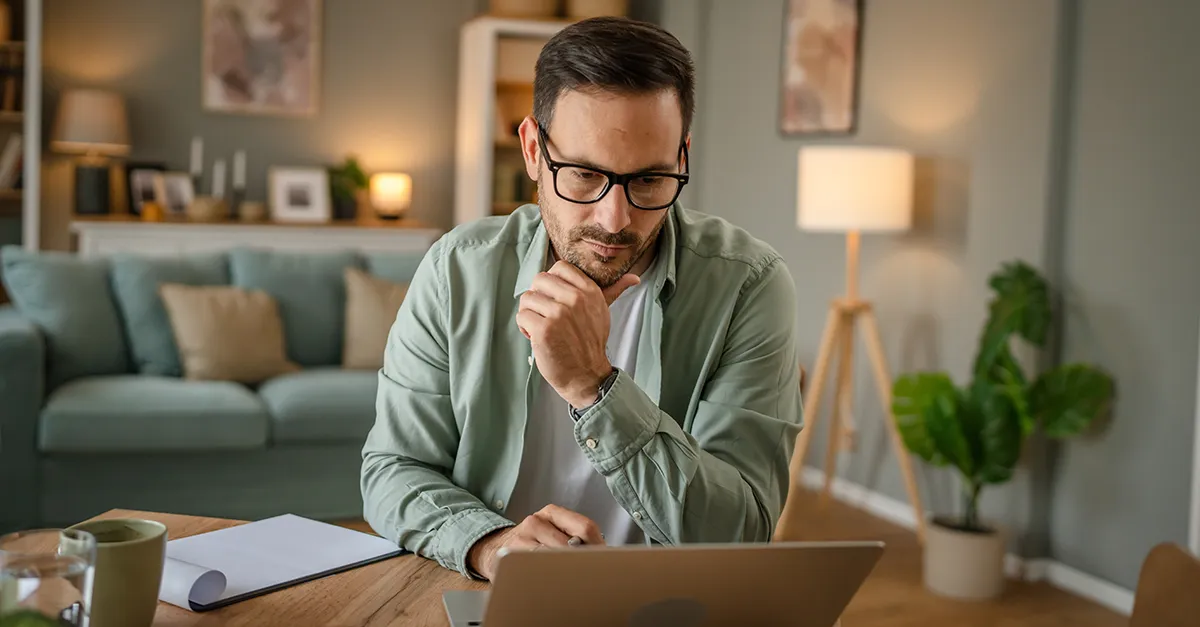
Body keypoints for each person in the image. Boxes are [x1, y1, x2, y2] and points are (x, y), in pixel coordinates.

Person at [361, 16, 803, 581]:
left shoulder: (749, 285)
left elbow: (739, 532)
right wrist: (491, 544)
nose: (614, 219)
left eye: (649, 180)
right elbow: (393, 468)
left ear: (682, 158)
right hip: (488, 594)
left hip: (665, 602)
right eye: (583, 174)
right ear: (531, 151)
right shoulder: (458, 270)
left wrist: (596, 387)